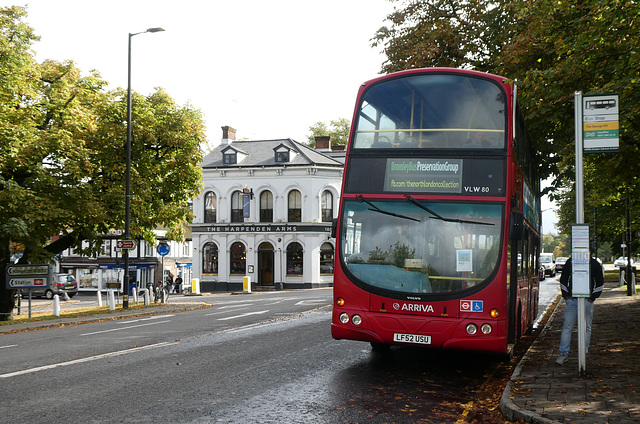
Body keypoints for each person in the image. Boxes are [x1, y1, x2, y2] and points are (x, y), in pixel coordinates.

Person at [555, 256, 604, 365]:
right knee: (568, 327)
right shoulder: (571, 262)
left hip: (586, 300)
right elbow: (563, 279)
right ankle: (564, 354)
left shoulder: (595, 264)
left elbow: (600, 283)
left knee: (584, 327)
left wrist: (592, 298)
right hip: (573, 300)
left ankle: (583, 353)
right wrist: (566, 296)